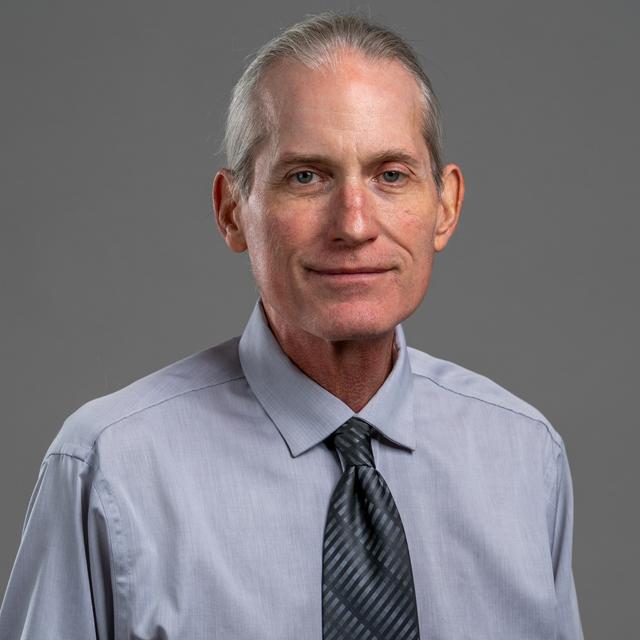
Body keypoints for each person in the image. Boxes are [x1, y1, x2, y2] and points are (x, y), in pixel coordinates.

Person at [0, 12, 583, 640]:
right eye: (307, 177)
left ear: (444, 206)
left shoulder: (527, 458)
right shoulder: (109, 470)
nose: (354, 224)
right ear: (231, 212)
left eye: (391, 175)